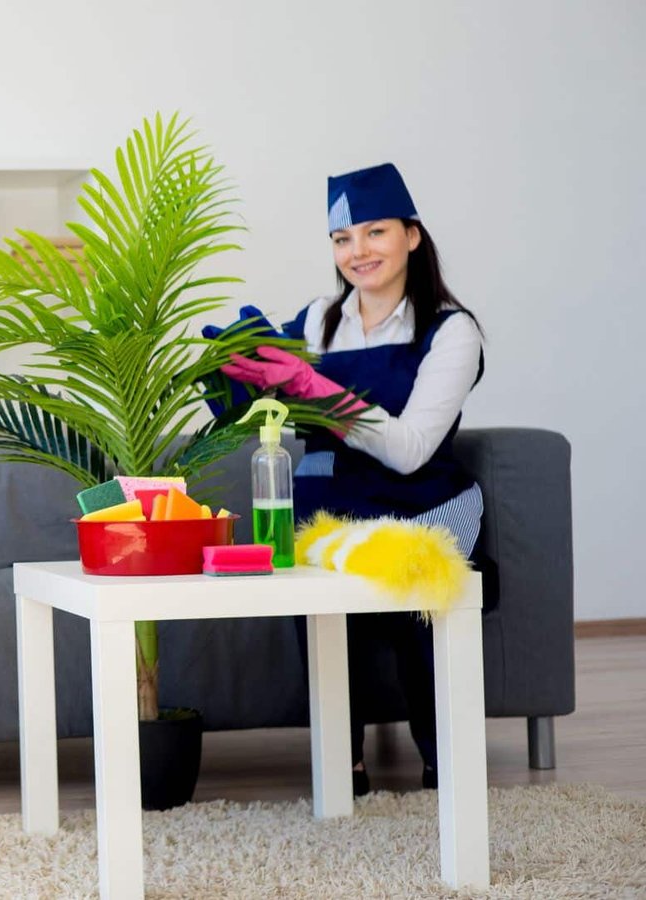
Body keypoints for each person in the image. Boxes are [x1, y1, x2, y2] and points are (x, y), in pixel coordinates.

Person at [221, 162, 487, 796]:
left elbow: (411, 451)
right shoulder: (318, 320)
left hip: (417, 499)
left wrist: (317, 388)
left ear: (412, 236)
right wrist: (234, 371)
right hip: (330, 501)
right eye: (343, 239)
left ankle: (444, 757)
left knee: (421, 589)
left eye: (375, 232)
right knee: (311, 595)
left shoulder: (451, 331)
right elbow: (262, 402)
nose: (358, 252)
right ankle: (343, 763)